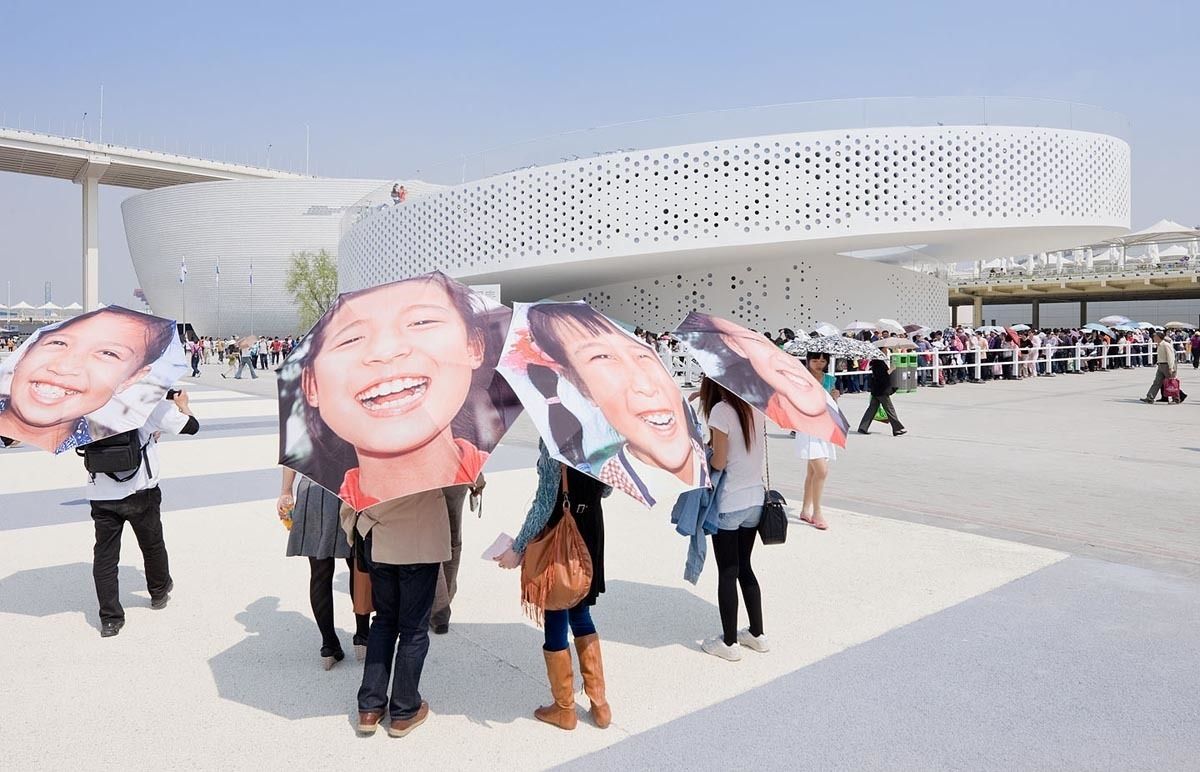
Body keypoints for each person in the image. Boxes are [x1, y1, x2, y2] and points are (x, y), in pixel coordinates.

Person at [293, 272, 507, 506]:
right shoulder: (323, 508)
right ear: (311, 384)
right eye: (351, 339)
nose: (386, 351)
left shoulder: (473, 471)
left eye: (421, 322)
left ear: (473, 346)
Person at [525, 302, 706, 507]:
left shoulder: (575, 443)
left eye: (641, 356)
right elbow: (602, 491)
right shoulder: (603, 459)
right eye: (602, 358)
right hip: (586, 522)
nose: (644, 385)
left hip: (573, 522)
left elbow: (545, 504)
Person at [495, 440, 612, 731]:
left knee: (557, 608)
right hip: (590, 530)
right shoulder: (602, 431)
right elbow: (607, 488)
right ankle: (600, 705)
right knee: (581, 611)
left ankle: (564, 709)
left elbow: (545, 502)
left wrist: (518, 547)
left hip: (562, 532)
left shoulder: (555, 435)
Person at [87, 389, 200, 637]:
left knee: (105, 556)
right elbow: (191, 426)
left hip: (101, 493)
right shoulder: (144, 401)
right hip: (140, 490)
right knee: (151, 544)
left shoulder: (86, 402)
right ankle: (159, 591)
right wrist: (183, 405)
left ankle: (110, 619)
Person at [0, 306, 177, 453]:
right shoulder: (93, 436)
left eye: (108, 354)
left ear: (132, 378)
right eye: (59, 343)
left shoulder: (93, 437)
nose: (65, 367)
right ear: (24, 353)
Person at [344, 489, 449, 738]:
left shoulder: (371, 447)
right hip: (422, 536)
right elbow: (464, 472)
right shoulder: (431, 448)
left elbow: (349, 489)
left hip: (379, 534)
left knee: (383, 621)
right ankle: (404, 711)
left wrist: (356, 528)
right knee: (413, 629)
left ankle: (370, 707)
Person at [694, 377, 768, 662]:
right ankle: (757, 635)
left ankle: (728, 642)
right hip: (755, 501)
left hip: (730, 502)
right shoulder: (755, 407)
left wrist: (705, 449)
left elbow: (719, 462)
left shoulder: (721, 411)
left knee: (727, 570)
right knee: (745, 566)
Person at [277, 468, 371, 669]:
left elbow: (295, 449)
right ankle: (363, 637)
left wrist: (286, 490)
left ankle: (329, 645)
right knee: (358, 566)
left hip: (314, 489)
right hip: (353, 487)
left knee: (319, 573)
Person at [430, 475, 486, 635]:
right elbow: (468, 450)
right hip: (457, 478)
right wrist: (477, 477)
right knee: (453, 539)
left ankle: (439, 609)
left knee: (433, 542)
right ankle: (446, 595)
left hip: (429, 480)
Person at [794, 352, 841, 530]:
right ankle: (817, 511)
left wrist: (834, 397)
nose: (819, 363)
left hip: (825, 426)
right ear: (808, 360)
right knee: (821, 471)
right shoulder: (801, 378)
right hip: (807, 426)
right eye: (815, 360)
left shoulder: (830, 379)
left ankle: (805, 509)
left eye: (822, 360)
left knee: (813, 473)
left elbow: (832, 406)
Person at [858, 358, 907, 436]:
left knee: (871, 409)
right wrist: (891, 369)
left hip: (876, 391)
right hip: (882, 391)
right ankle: (897, 428)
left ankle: (863, 427)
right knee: (890, 409)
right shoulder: (879, 364)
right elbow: (882, 377)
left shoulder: (875, 363)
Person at [1141, 331, 1187, 404]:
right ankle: (1150, 397)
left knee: (1171, 383)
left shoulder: (1166, 345)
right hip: (1161, 365)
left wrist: (1171, 368)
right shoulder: (1159, 345)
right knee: (1157, 382)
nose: (1153, 338)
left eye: (1155, 337)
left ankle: (1176, 399)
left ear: (1159, 337)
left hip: (1167, 365)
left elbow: (1171, 357)